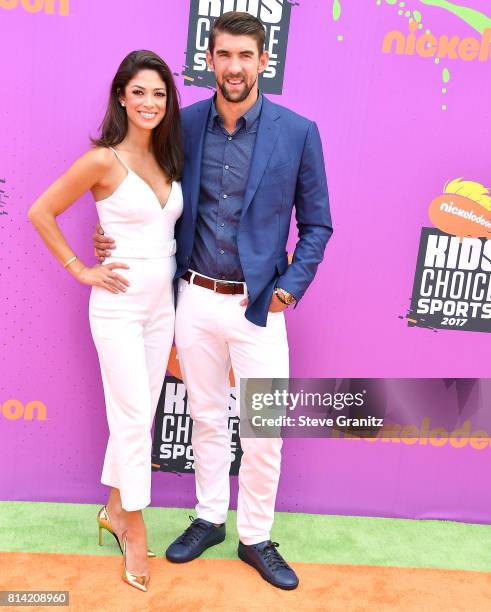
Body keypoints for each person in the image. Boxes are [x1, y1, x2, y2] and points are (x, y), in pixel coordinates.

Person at [94, 11, 332, 590]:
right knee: (204, 417)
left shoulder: (298, 132)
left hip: (258, 307)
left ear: (263, 62)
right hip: (193, 297)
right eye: (223, 55)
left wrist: (287, 290)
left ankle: (255, 535)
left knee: (264, 428)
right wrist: (112, 238)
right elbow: (146, 189)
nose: (233, 67)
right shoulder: (185, 125)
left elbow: (318, 224)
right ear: (210, 60)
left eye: (245, 56)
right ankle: (207, 518)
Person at [28, 50, 184, 593]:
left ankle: (114, 508)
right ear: (121, 95)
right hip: (116, 306)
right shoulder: (102, 160)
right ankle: (134, 526)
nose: (149, 102)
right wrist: (81, 268)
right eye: (139, 92)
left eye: (159, 93)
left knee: (140, 414)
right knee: (133, 413)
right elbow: (40, 211)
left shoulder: (169, 160)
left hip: (161, 306)